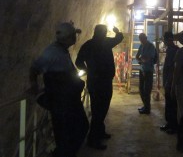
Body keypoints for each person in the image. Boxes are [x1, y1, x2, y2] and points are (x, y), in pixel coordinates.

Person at [29, 22, 89, 157]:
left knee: (77, 128)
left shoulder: (61, 50)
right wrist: (34, 85)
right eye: (73, 35)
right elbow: (35, 68)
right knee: (67, 131)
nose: (75, 38)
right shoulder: (52, 52)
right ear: (67, 38)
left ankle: (62, 153)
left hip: (68, 99)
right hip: (61, 101)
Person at [75, 24, 123, 150]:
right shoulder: (105, 42)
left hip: (95, 81)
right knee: (100, 110)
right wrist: (117, 32)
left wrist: (88, 70)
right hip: (104, 81)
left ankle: (100, 132)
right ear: (103, 33)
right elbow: (119, 38)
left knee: (99, 108)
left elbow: (78, 62)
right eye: (105, 32)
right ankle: (93, 139)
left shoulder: (88, 44)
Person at [160, 31, 179, 134]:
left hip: (171, 81)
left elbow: (173, 68)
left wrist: (169, 82)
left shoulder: (174, 50)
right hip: (168, 80)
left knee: (172, 104)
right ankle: (169, 123)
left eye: (164, 39)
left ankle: (173, 125)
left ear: (168, 40)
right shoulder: (171, 50)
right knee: (168, 103)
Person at [136, 33, 156, 114]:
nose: (141, 40)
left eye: (142, 39)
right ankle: (145, 106)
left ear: (146, 38)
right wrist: (142, 59)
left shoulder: (151, 46)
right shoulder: (141, 45)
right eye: (140, 39)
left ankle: (147, 109)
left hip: (148, 71)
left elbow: (148, 59)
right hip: (142, 70)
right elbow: (137, 57)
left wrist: (142, 59)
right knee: (141, 89)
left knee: (147, 90)